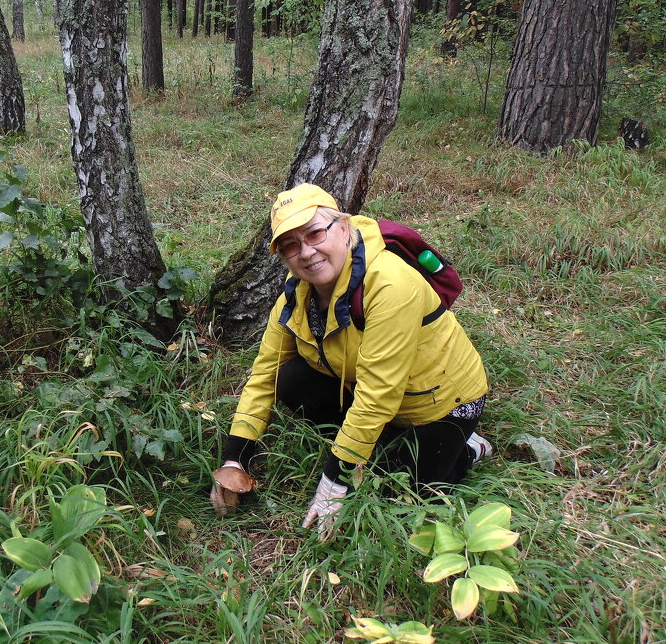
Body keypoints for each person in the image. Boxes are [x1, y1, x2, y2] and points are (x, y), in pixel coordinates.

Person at [210, 183, 491, 538]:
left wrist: (334, 480)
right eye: (291, 245)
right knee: (291, 378)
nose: (307, 253)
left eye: (314, 233)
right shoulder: (296, 292)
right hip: (371, 391)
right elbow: (265, 373)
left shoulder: (390, 285)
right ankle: (379, 440)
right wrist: (235, 458)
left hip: (439, 403)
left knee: (397, 496)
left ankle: (467, 448)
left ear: (344, 228)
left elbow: (378, 395)